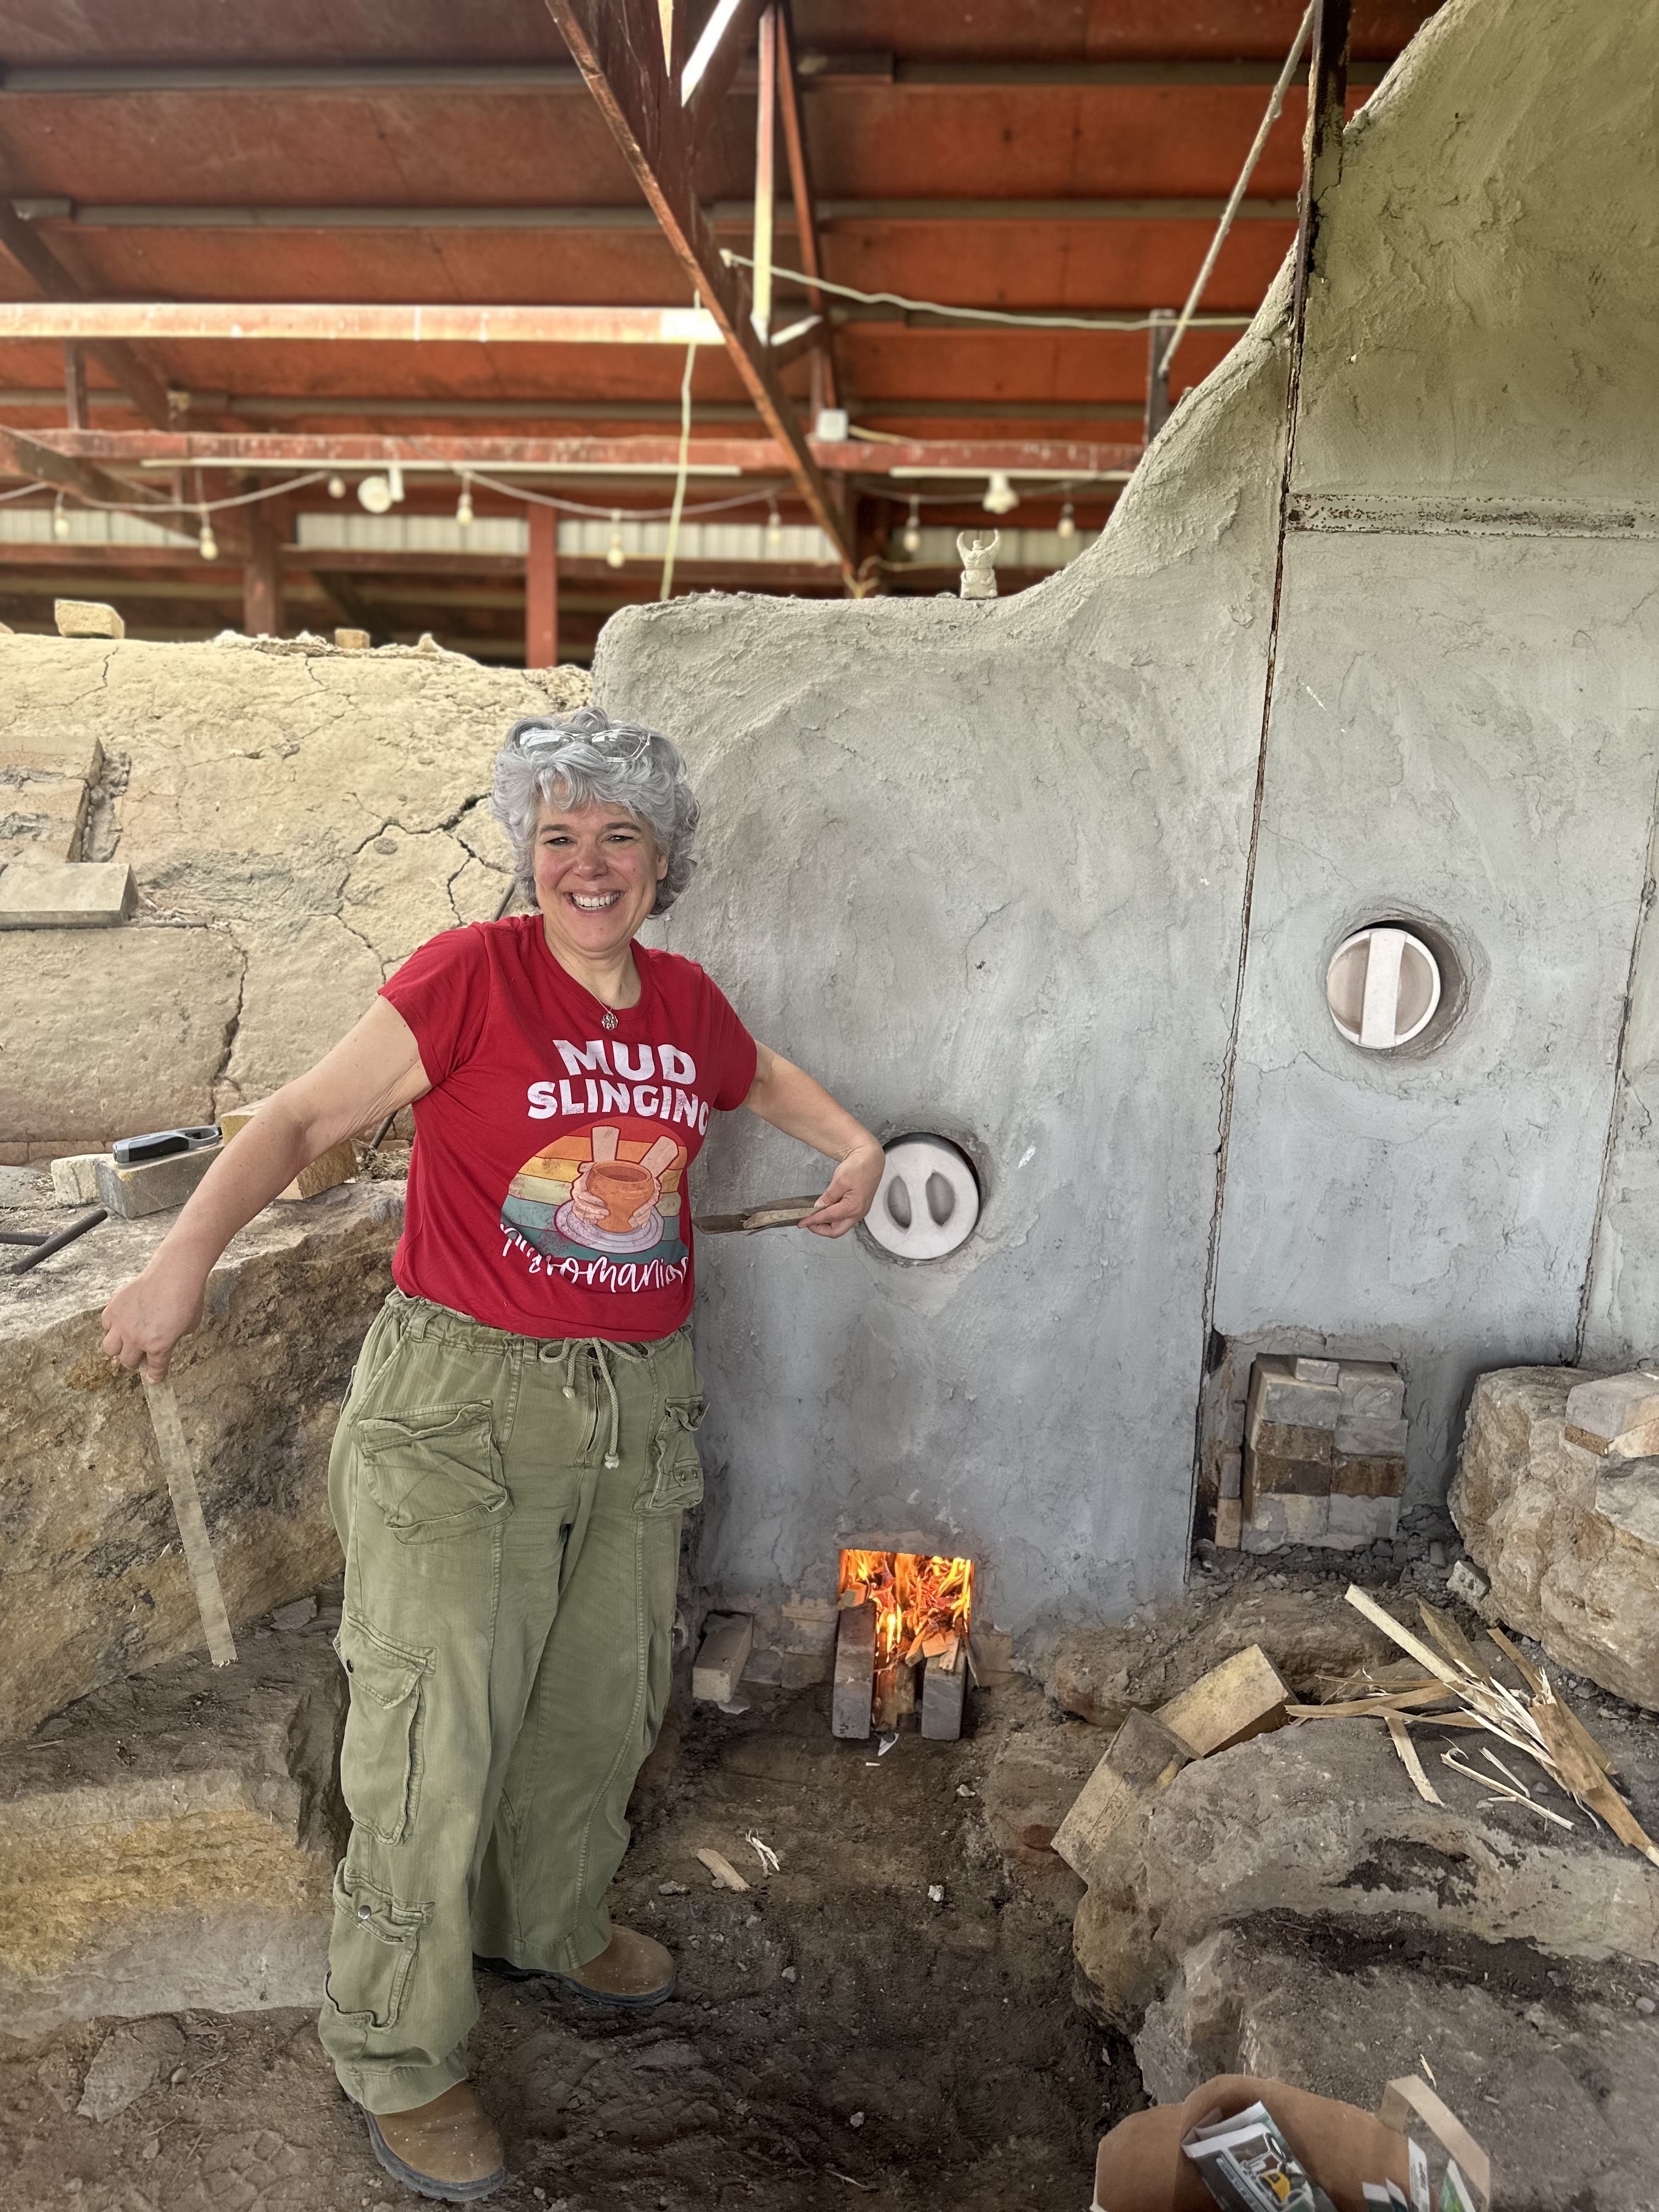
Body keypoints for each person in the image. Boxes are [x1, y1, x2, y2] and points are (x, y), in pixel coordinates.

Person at [100, 706, 885, 2204]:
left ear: (664, 862)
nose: (589, 865)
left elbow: (761, 1074)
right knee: (435, 1726)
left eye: (620, 838)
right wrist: (186, 1258)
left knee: (598, 1700)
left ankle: (546, 1919)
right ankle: (396, 2047)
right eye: (560, 837)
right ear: (526, 855)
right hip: (465, 1405)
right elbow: (301, 1120)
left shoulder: (684, 1005)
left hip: (639, 1399)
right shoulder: (469, 978)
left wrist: (853, 1148)